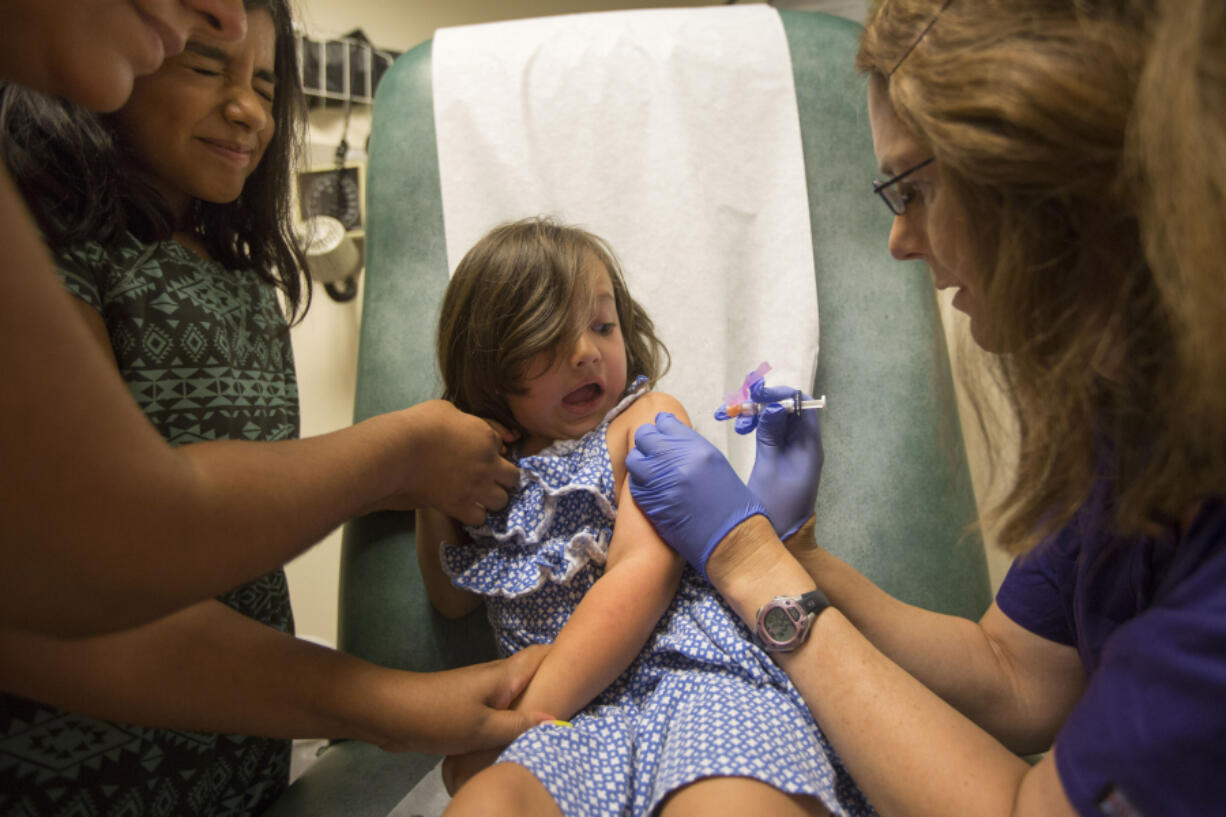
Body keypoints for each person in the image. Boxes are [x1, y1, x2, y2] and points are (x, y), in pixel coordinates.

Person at [625, 1, 1226, 817]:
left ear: (1046, 166)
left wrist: (750, 566)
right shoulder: (1139, 428)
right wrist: (796, 550)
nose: (898, 241)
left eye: (912, 190)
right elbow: (1013, 673)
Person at [0, 4, 546, 815]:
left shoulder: (243, 278)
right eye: (202, 65)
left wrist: (410, 477)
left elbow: (245, 480)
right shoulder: (59, 245)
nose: (250, 108)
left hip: (245, 773)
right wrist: (397, 454)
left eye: (265, 84)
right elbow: (108, 541)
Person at [416, 217, 871, 817]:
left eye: (603, 326)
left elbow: (640, 573)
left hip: (691, 681)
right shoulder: (488, 468)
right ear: (488, 365)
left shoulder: (644, 420)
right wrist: (427, 480)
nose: (585, 353)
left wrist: (515, 726)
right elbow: (453, 600)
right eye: (549, 338)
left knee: (729, 802)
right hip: (574, 724)